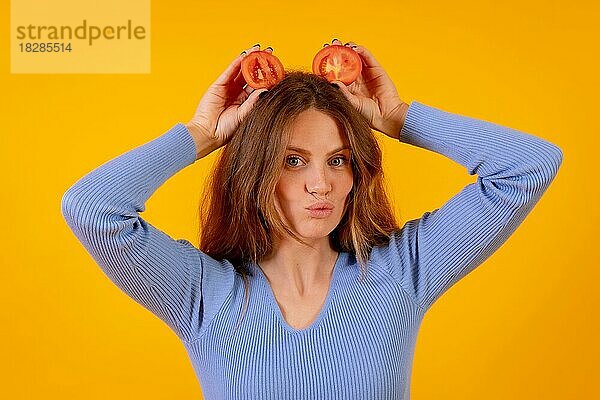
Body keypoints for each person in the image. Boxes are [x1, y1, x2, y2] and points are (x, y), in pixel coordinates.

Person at [61, 39, 563, 399]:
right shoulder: (203, 293)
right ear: (256, 173)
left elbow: (528, 166)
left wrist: (399, 117)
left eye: (338, 159)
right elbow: (93, 210)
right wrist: (200, 134)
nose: (321, 184)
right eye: (293, 160)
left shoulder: (400, 275)